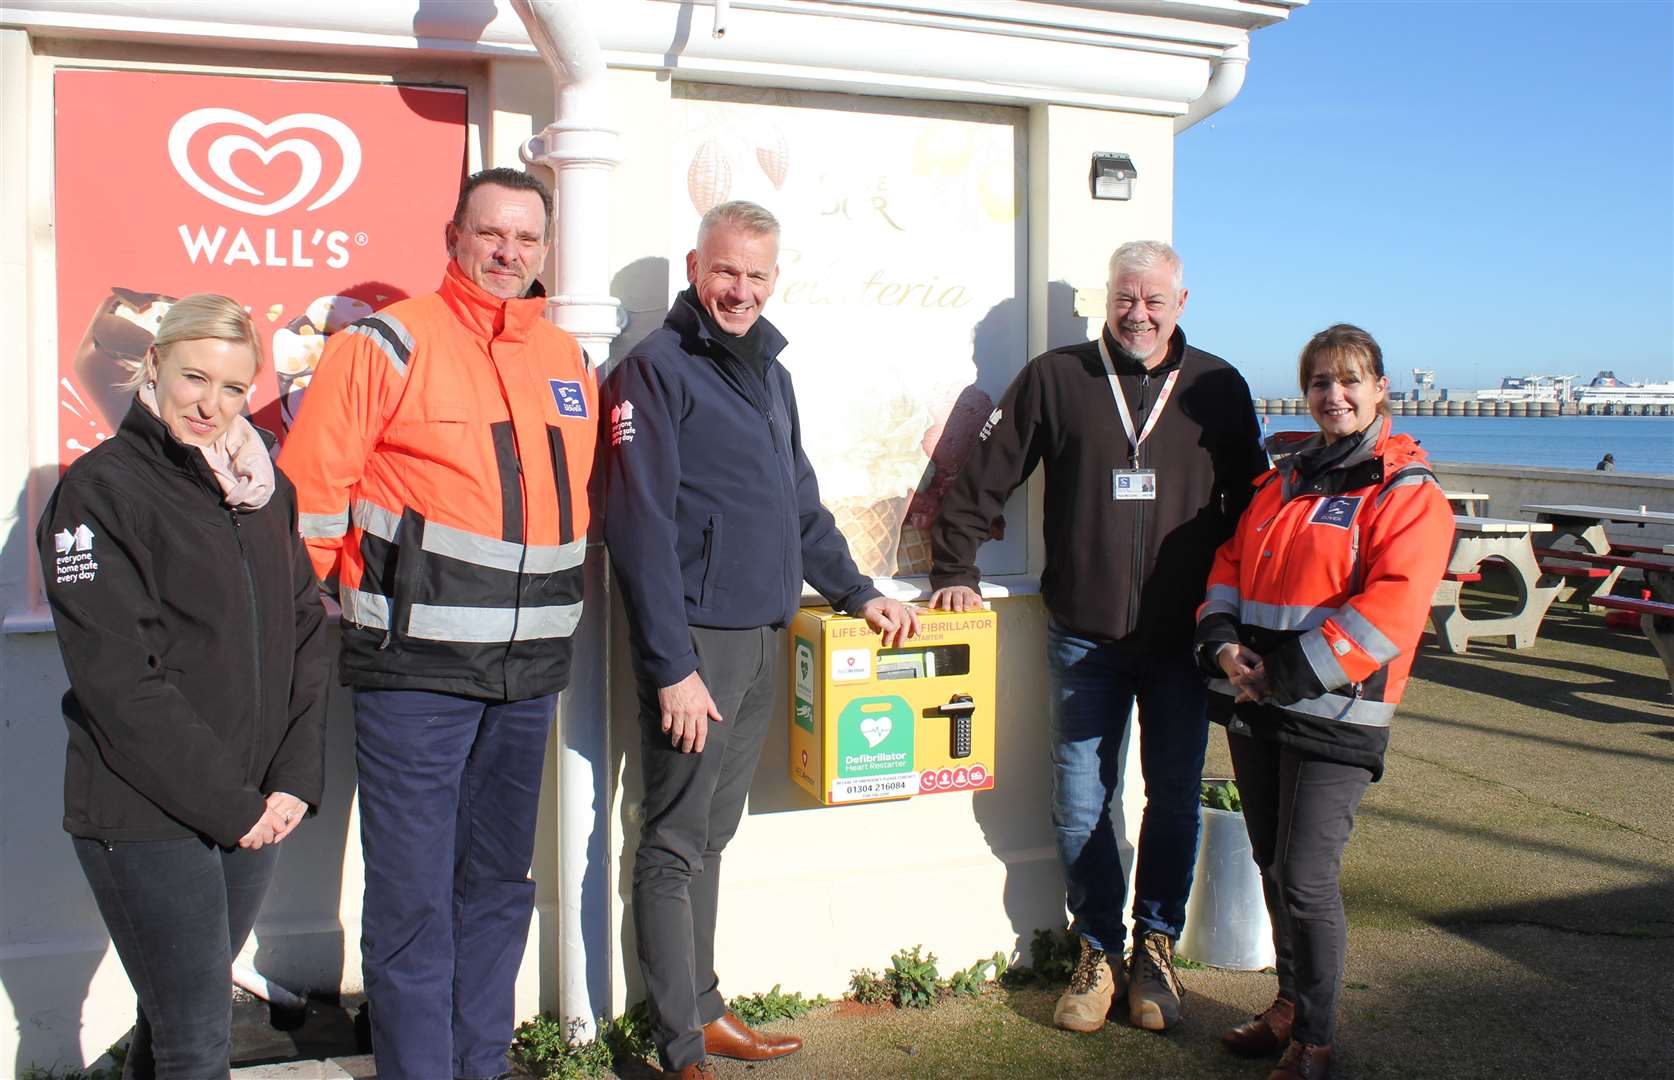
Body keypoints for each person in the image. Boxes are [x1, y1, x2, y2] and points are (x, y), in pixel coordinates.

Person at [278, 167, 596, 1079]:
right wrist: (333, 612)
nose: (509, 253)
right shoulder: (385, 345)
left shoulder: (567, 359)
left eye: (527, 239)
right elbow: (309, 501)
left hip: (527, 674)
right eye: (491, 234)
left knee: (498, 888)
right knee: (414, 899)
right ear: (453, 236)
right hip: (412, 674)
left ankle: (481, 1066)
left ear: (546, 249)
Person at [602, 200, 920, 1080]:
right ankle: (675, 1044)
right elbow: (637, 527)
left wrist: (858, 592)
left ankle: (703, 1011)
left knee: (711, 835)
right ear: (694, 267)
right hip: (696, 644)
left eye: (756, 275)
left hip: (761, 635)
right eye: (725, 270)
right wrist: (671, 667)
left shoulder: (770, 372)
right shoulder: (653, 370)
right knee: (669, 841)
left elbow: (801, 508)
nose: (739, 289)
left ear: (774, 279)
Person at [929, 240, 1266, 1033]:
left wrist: (1255, 614)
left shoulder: (1218, 386)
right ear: (1104, 300)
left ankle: (1155, 948)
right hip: (1084, 634)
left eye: (1154, 300)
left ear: (1182, 302)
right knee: (1082, 801)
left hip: (1185, 642)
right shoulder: (1057, 377)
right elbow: (984, 477)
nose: (1138, 313)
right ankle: (1096, 951)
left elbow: (1255, 508)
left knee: (1175, 797)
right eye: (1126, 298)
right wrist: (955, 566)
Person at [37, 294, 329, 1078]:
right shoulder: (100, 492)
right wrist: (233, 807)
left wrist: (293, 781)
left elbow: (307, 628)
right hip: (145, 811)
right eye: (195, 378)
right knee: (197, 1038)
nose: (212, 404)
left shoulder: (264, 488)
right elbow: (119, 681)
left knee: (173, 1022)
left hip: (254, 807)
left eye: (234, 388)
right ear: (154, 364)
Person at [1196, 324, 1453, 1080]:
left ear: (1380, 391)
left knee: (1307, 879)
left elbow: (1390, 614)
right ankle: (1287, 1004)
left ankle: (1316, 1037)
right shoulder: (1282, 482)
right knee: (1271, 864)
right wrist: (1220, 641)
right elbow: (1229, 565)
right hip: (1261, 702)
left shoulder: (1408, 493)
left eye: (1348, 381)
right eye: (1318, 382)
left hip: (1337, 714)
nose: (1332, 395)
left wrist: (1281, 674)